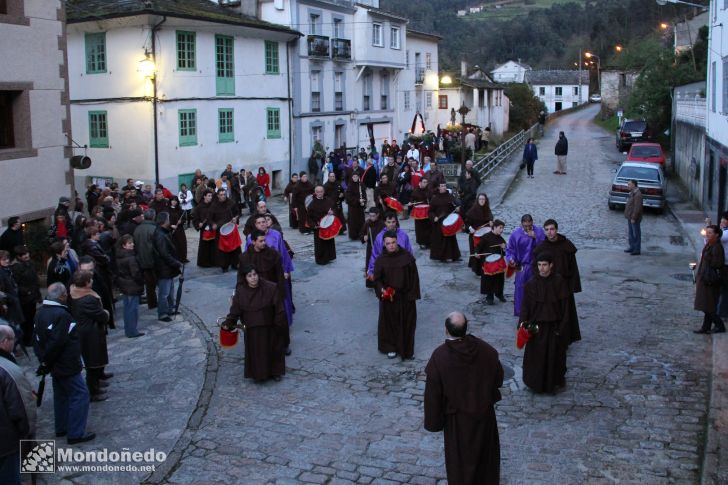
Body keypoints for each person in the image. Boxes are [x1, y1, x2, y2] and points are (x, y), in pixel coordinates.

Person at [424, 311, 503, 485]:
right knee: (485, 458)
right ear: (466, 327)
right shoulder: (486, 350)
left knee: (460, 462)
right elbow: (498, 378)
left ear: (446, 330)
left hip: (457, 422)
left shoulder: (439, 356)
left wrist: (434, 423)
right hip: (484, 416)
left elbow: (433, 394)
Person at [34, 283, 95, 444]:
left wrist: (44, 361)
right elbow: (57, 342)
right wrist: (47, 361)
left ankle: (62, 426)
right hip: (65, 363)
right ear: (62, 296)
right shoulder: (61, 314)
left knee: (61, 395)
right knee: (80, 394)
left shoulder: (40, 313)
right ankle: (75, 432)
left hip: (54, 364)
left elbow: (37, 340)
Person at [223, 265, 287, 382]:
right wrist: (228, 322)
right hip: (252, 329)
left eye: (255, 274)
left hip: (270, 326)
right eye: (249, 276)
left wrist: (279, 324)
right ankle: (259, 375)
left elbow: (279, 308)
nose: (253, 278)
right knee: (257, 353)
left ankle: (275, 372)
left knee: (272, 349)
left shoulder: (270, 287)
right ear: (245, 278)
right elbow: (235, 310)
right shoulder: (241, 292)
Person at [520, 253, 571, 394]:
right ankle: (536, 384)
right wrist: (523, 325)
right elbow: (526, 307)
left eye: (545, 265)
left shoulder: (559, 282)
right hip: (536, 327)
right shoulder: (531, 284)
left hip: (554, 326)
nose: (542, 268)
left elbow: (565, 308)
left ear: (551, 265)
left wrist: (563, 327)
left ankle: (552, 383)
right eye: (539, 265)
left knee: (554, 356)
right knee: (536, 357)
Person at [532, 219, 582, 344]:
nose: (550, 232)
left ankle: (566, 337)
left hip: (564, 286)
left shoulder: (566, 245)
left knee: (565, 313)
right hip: (548, 286)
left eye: (552, 229)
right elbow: (536, 268)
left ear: (557, 230)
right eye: (547, 230)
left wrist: (572, 286)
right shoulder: (541, 248)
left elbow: (573, 268)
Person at [373, 230, 421, 360]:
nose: (391, 246)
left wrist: (412, 295)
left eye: (393, 242)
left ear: (397, 241)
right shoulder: (381, 260)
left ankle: (407, 350)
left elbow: (414, 278)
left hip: (405, 296)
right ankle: (391, 347)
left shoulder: (407, 257)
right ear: (384, 244)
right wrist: (382, 290)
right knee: (389, 324)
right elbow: (377, 279)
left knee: (407, 324)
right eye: (388, 243)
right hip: (389, 298)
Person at [0, 325, 36, 485]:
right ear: (4, 341)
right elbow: (23, 408)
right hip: (6, 443)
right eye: (13, 339)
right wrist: (27, 432)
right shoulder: (8, 369)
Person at [69, 270, 110, 402]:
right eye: (90, 280)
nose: (92, 281)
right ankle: (93, 390)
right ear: (86, 283)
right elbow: (100, 315)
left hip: (86, 330)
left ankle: (96, 383)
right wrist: (106, 313)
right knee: (92, 362)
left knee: (94, 360)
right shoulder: (87, 299)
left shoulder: (75, 294)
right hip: (90, 333)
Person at [506, 214, 545, 316]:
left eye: (529, 225)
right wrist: (511, 259)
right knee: (520, 290)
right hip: (521, 266)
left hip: (535, 266)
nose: (527, 228)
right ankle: (520, 314)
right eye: (525, 226)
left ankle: (535, 312)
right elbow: (510, 250)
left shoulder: (539, 232)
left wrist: (535, 238)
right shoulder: (516, 234)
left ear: (532, 223)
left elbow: (544, 248)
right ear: (521, 224)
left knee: (536, 290)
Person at [694, 224, 726, 334]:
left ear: (716, 235)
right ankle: (705, 327)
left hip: (710, 279)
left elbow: (717, 263)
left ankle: (719, 325)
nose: (707, 235)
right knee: (706, 304)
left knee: (707, 305)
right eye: (707, 232)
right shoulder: (710, 244)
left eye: (710, 233)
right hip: (705, 277)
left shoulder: (716, 247)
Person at [152, 212, 183, 322]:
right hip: (163, 268)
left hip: (168, 268)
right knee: (164, 293)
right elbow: (164, 254)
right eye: (168, 219)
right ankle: (163, 313)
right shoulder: (160, 235)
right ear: (164, 221)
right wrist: (176, 263)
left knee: (170, 291)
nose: (169, 221)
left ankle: (170, 308)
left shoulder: (163, 232)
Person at [367, 211, 413, 279]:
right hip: (386, 270)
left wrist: (411, 267)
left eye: (393, 222)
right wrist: (371, 270)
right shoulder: (379, 237)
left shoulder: (403, 235)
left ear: (396, 222)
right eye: (389, 222)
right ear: (385, 222)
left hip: (401, 268)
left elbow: (409, 251)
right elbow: (375, 255)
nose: (391, 224)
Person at [115, 234, 145, 338]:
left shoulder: (119, 256)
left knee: (127, 309)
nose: (132, 244)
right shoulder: (130, 258)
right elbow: (136, 273)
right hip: (132, 285)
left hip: (124, 285)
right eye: (129, 243)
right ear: (124, 245)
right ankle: (132, 331)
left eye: (132, 242)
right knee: (133, 309)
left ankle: (129, 330)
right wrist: (142, 281)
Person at [10, 246, 40, 347]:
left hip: (32, 296)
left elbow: (35, 279)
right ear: (19, 256)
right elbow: (16, 284)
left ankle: (30, 337)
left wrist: (36, 294)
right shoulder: (17, 267)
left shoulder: (30, 264)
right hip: (24, 298)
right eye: (24, 254)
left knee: (31, 318)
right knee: (25, 320)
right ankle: (26, 339)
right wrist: (27, 292)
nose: (27, 256)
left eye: (27, 253)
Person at [476, 219, 507, 305]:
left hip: (498, 262)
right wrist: (476, 253)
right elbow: (478, 246)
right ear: (495, 227)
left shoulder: (501, 239)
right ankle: (489, 296)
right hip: (488, 262)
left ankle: (499, 294)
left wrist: (504, 248)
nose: (502, 230)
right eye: (500, 228)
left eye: (502, 228)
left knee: (499, 280)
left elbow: (504, 253)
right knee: (489, 280)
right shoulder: (486, 237)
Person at [429, 183, 461, 262]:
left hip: (449, 222)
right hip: (439, 223)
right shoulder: (435, 198)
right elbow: (430, 211)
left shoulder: (450, 197)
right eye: (442, 186)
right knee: (441, 240)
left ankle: (454, 256)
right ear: (439, 188)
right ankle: (441, 256)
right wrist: (434, 217)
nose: (443, 187)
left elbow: (455, 206)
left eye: (444, 186)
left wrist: (457, 209)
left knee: (451, 239)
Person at [210, 189, 240, 273]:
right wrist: (213, 224)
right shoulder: (214, 206)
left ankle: (235, 264)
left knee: (234, 248)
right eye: (221, 195)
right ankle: (224, 265)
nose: (223, 196)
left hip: (231, 228)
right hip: (220, 231)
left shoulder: (231, 203)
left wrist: (235, 218)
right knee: (223, 249)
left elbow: (237, 213)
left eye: (224, 194)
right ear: (218, 196)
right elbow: (210, 218)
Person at [133, 208, 158, 309]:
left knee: (149, 284)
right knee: (158, 282)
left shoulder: (137, 229)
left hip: (142, 259)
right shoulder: (154, 229)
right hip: (152, 260)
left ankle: (152, 303)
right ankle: (160, 304)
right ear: (153, 216)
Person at [465, 193, 494, 275]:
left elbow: (490, 216)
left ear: (486, 200)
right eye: (480, 199)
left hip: (484, 235)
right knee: (476, 252)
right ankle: (476, 269)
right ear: (477, 200)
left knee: (484, 251)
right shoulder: (472, 211)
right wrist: (470, 228)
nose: (482, 201)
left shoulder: (487, 209)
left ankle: (484, 267)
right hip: (475, 235)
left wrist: (491, 221)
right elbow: (467, 223)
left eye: (483, 199)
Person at [307, 186, 337, 265]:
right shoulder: (312, 204)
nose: (320, 193)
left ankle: (329, 257)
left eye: (321, 191)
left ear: (323, 192)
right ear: (315, 193)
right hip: (318, 226)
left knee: (329, 242)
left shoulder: (329, 200)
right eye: (318, 192)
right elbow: (309, 218)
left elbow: (334, 209)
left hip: (328, 225)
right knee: (320, 244)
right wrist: (314, 225)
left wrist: (332, 212)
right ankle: (321, 259)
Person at [359, 208, 385, 288]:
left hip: (380, 248)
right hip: (370, 248)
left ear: (377, 215)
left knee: (380, 265)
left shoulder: (382, 224)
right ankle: (371, 283)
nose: (371, 218)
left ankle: (381, 283)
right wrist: (363, 237)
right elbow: (361, 233)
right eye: (370, 216)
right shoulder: (367, 223)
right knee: (370, 264)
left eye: (373, 216)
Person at [410, 178, 432, 250]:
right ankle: (421, 242)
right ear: (420, 183)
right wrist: (411, 202)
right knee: (420, 227)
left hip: (427, 210)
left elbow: (431, 199)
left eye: (426, 182)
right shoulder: (416, 191)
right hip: (419, 212)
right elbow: (412, 200)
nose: (426, 183)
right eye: (424, 182)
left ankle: (428, 242)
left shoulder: (428, 190)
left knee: (428, 226)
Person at [345, 173, 367, 239]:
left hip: (360, 207)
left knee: (361, 221)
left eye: (356, 177)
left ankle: (361, 234)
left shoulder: (361, 185)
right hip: (353, 207)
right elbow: (348, 197)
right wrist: (357, 200)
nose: (355, 178)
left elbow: (364, 194)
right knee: (353, 221)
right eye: (354, 177)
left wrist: (364, 200)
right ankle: (353, 235)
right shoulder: (350, 186)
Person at [624, 179, 643, 255]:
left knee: (636, 234)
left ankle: (637, 249)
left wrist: (633, 217)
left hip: (634, 218)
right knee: (631, 233)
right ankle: (632, 247)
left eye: (629, 184)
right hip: (630, 216)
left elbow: (637, 207)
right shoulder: (633, 193)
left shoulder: (638, 195)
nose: (628, 186)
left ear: (634, 185)